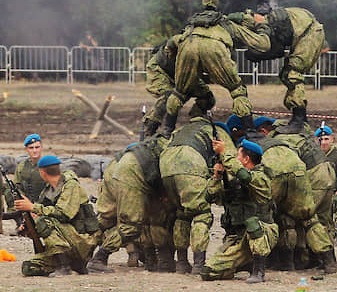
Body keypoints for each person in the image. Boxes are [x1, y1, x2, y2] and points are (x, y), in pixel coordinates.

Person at [161, 9, 271, 138]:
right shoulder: (231, 25)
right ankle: (250, 132)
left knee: (179, 92)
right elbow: (263, 45)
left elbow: (172, 43)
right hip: (213, 47)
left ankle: (167, 131)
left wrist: (175, 58)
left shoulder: (195, 26)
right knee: (238, 90)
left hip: (188, 45)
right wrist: (263, 26)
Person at [254, 116, 333, 272]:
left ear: (264, 131)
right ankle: (326, 260)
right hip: (326, 171)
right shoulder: (298, 132)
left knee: (294, 218)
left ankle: (295, 260)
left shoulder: (278, 139)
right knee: (314, 218)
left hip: (310, 174)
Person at [160, 116, 236, 275]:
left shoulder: (181, 130)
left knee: (182, 214)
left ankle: (181, 262)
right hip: (190, 166)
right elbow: (231, 158)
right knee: (201, 214)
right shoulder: (216, 130)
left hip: (166, 166)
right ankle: (198, 264)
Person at [88, 136, 175, 273]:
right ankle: (99, 258)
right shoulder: (173, 150)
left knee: (106, 218)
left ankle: (83, 253)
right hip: (129, 174)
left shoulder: (157, 145)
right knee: (132, 224)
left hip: (115, 168)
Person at [200, 139, 278, 282]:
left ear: (246, 159)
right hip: (238, 237)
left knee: (253, 223)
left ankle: (259, 271)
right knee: (208, 272)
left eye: (238, 157)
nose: (235, 160)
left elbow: (245, 176)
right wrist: (217, 177)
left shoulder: (261, 177)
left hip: (263, 233)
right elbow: (208, 197)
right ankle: (242, 263)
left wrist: (224, 153)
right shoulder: (235, 182)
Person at [15, 155, 100, 277]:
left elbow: (64, 214)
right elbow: (39, 213)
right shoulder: (49, 189)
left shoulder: (70, 185)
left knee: (44, 221)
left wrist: (32, 207)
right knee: (29, 267)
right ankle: (72, 265)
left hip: (81, 241)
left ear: (42, 172)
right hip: (65, 242)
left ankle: (64, 266)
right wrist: (27, 225)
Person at [246, 7, 325, 132]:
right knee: (286, 74)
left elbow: (277, 50)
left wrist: (258, 54)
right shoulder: (267, 24)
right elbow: (279, 51)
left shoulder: (269, 24)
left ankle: (298, 121)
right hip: (304, 33)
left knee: (293, 74)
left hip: (309, 33)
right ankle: (300, 118)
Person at [142, 37, 215, 137]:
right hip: (160, 69)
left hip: (184, 74)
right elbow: (172, 42)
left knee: (208, 97)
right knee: (170, 97)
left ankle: (195, 122)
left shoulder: (212, 49)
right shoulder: (187, 39)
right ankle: (151, 129)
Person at [4, 134, 46, 221]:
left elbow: (53, 190)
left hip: (45, 204)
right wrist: (25, 202)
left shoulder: (48, 165)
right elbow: (17, 186)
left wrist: (35, 208)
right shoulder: (21, 166)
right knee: (9, 190)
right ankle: (19, 219)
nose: (34, 151)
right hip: (26, 203)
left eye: (37, 147)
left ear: (41, 147)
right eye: (31, 148)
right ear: (26, 149)